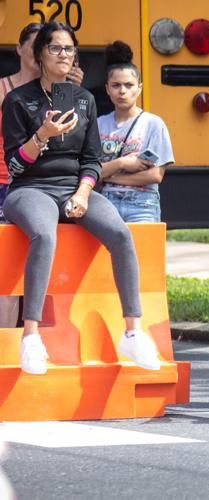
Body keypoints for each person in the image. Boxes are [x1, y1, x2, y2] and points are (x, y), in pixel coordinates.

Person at [2, 22, 160, 375]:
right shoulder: (18, 100)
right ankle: (31, 338)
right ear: (40, 54)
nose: (63, 56)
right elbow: (13, 166)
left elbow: (91, 161)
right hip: (30, 188)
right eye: (55, 49)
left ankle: (133, 332)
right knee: (44, 234)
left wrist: (83, 192)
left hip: (74, 186)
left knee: (120, 234)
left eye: (69, 49)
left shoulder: (85, 100)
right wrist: (41, 135)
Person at [97, 41, 174, 223]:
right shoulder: (99, 124)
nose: (122, 91)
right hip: (105, 203)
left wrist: (111, 176)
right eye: (116, 85)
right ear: (107, 89)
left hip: (143, 204)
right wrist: (123, 162)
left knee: (143, 252)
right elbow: (92, 172)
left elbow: (155, 176)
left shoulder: (153, 124)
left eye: (129, 85)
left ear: (139, 88)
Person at [0, 23, 44, 224]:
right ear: (19, 49)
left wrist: (73, 91)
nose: (40, 51)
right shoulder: (1, 88)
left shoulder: (60, 91)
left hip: (41, 184)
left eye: (45, 45)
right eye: (36, 44)